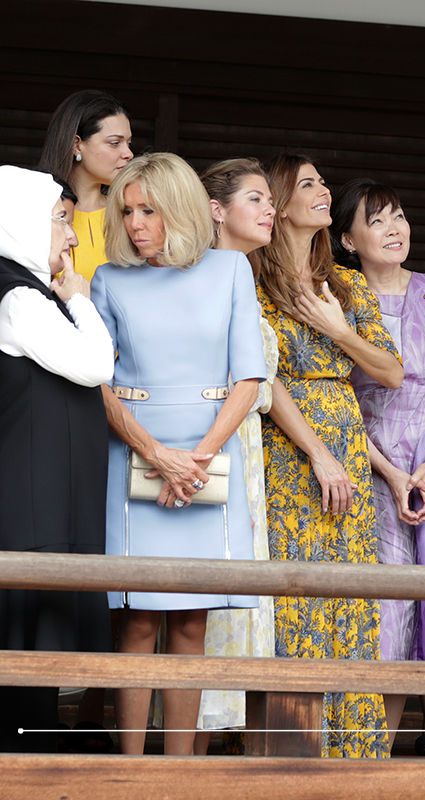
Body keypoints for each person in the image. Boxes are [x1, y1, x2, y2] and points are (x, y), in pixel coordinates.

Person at [91, 153, 267, 755]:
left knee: (194, 618)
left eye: (149, 210)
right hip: (135, 447)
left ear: (181, 208)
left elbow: (249, 377)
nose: (135, 223)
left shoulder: (229, 270)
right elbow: (98, 383)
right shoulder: (109, 279)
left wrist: (194, 460)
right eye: (127, 211)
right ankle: (131, 768)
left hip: (208, 448)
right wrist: (156, 454)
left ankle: (179, 772)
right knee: (138, 617)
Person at [251, 154, 403, 759]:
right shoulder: (253, 280)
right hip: (289, 445)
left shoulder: (347, 283)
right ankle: (295, 748)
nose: (323, 192)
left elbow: (391, 371)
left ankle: (353, 752)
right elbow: (264, 378)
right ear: (280, 200)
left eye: (322, 183)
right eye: (308, 184)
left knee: (350, 593)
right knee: (297, 590)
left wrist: (338, 330)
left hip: (346, 432)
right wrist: (317, 453)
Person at [332, 177, 425, 755]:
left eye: (398, 216)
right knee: (386, 608)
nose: (394, 229)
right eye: (377, 221)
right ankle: (374, 749)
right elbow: (334, 399)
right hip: (363, 462)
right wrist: (391, 473)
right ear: (347, 239)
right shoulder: (337, 297)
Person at [0, 166, 113, 752]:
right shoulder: (21, 297)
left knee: (32, 645)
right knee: (27, 645)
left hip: (39, 508)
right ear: (22, 223)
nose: (71, 237)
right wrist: (81, 301)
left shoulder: (24, 292)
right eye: (60, 221)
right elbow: (96, 365)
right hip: (33, 513)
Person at [191, 157, 280, 751]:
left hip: (248, 449)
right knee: (209, 598)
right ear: (217, 210)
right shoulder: (202, 275)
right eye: (255, 198)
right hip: (209, 444)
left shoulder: (246, 275)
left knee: (244, 600)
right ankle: (188, 756)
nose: (269, 208)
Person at [37, 90, 134, 280]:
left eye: (129, 143)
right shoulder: (37, 212)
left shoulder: (131, 213)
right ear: (76, 145)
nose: (128, 153)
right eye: (115, 143)